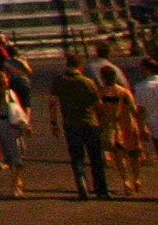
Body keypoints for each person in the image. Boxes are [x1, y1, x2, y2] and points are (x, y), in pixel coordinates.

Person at [50, 52, 108, 201]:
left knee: (77, 157)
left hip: (70, 123)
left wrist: (54, 122)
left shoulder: (59, 81)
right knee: (96, 157)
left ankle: (81, 182)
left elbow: (52, 103)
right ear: (80, 66)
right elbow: (98, 105)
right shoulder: (87, 82)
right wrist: (103, 122)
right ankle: (101, 189)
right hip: (89, 122)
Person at [98, 64, 147, 197]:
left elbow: (99, 111)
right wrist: (143, 125)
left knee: (119, 156)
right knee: (134, 154)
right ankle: (136, 179)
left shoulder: (101, 93)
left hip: (115, 127)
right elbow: (134, 110)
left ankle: (125, 181)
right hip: (129, 125)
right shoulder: (124, 92)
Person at [0, 66, 29, 198]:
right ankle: (16, 184)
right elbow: (17, 111)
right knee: (17, 154)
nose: (7, 79)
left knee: (9, 153)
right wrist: (26, 124)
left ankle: (17, 181)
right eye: (5, 77)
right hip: (11, 125)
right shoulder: (9, 93)